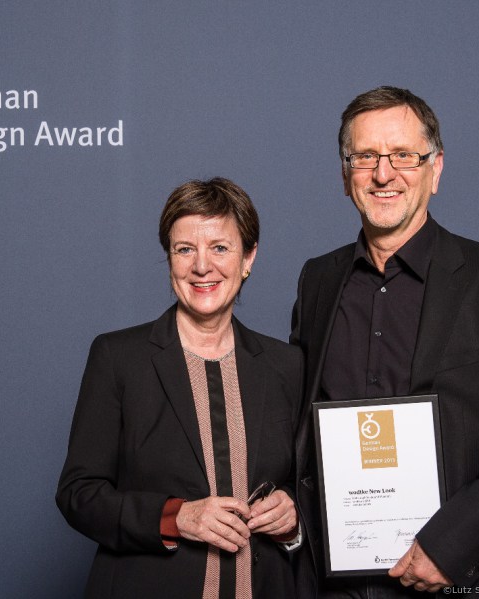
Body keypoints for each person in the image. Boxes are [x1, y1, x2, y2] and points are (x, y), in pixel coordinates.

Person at [291, 87, 479, 597]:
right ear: (344, 175)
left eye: (403, 155)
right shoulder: (318, 280)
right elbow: (302, 428)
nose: (383, 174)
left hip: (468, 576)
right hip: (337, 585)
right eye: (365, 157)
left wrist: (453, 544)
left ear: (435, 169)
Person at [57, 177, 304, 599]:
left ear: (248, 257)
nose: (202, 266)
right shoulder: (119, 358)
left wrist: (292, 518)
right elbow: (78, 495)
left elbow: (307, 485)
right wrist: (176, 517)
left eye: (220, 248)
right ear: (169, 259)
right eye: (185, 249)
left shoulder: (286, 365)